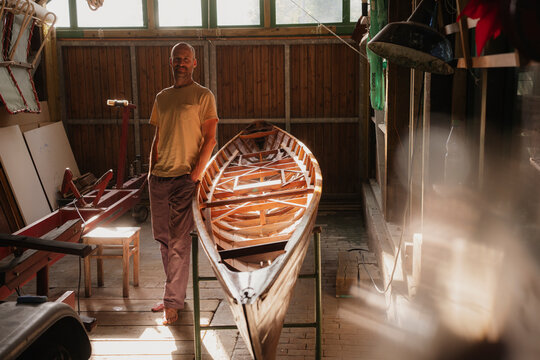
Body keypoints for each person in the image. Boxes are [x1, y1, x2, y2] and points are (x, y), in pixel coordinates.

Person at [148, 42, 218, 325]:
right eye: (177, 59)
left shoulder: (203, 96)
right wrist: (150, 170)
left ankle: (172, 303)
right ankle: (173, 294)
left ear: (194, 63)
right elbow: (158, 137)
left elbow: (210, 138)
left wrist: (195, 175)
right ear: (170, 61)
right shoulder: (162, 97)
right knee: (164, 241)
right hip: (159, 179)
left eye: (186, 59)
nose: (181, 63)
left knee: (178, 243)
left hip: (184, 180)